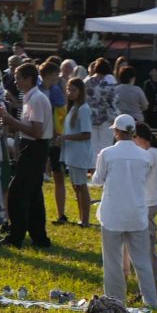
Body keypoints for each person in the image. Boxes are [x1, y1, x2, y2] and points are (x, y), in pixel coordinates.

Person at [94, 115, 157, 310]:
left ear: (116, 132)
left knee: (112, 261)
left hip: (112, 214)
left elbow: (98, 179)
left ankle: (115, 300)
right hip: (136, 214)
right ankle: (151, 301)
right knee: (142, 262)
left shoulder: (107, 153)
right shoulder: (145, 155)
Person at [0, 64, 53, 250]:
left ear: (28, 78)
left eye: (18, 77)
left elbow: (37, 131)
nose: (15, 81)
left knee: (18, 193)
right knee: (33, 196)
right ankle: (39, 237)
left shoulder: (36, 99)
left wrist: (10, 120)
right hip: (31, 147)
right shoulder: (30, 98)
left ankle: (16, 236)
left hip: (34, 148)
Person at [57, 77, 97, 227]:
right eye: (68, 89)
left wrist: (65, 137)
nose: (70, 92)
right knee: (76, 186)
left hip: (80, 154)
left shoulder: (83, 109)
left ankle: (85, 220)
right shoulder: (73, 108)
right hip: (72, 154)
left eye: (73, 90)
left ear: (81, 91)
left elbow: (86, 134)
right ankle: (82, 217)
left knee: (81, 185)